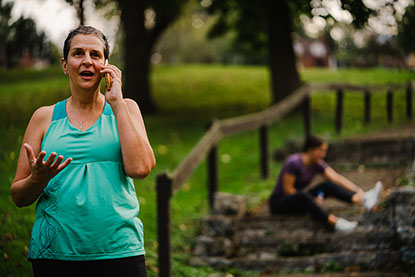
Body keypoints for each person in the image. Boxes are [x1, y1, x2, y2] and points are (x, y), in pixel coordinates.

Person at [10, 26, 156, 276]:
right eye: (78, 53)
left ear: (106, 66)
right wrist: (37, 179)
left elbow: (140, 169)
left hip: (120, 251)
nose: (87, 60)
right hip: (55, 255)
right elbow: (18, 197)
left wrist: (117, 103)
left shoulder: (126, 109)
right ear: (65, 65)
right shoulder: (43, 118)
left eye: (95, 55)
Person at [269, 135, 382, 233]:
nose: (323, 154)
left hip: (300, 199)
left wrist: (359, 191)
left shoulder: (317, 163)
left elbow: (336, 178)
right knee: (304, 196)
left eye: (325, 151)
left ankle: (363, 199)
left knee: (326, 186)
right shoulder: (293, 162)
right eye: (320, 150)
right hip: (279, 203)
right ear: (310, 149)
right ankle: (336, 223)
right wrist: (312, 201)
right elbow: (288, 190)